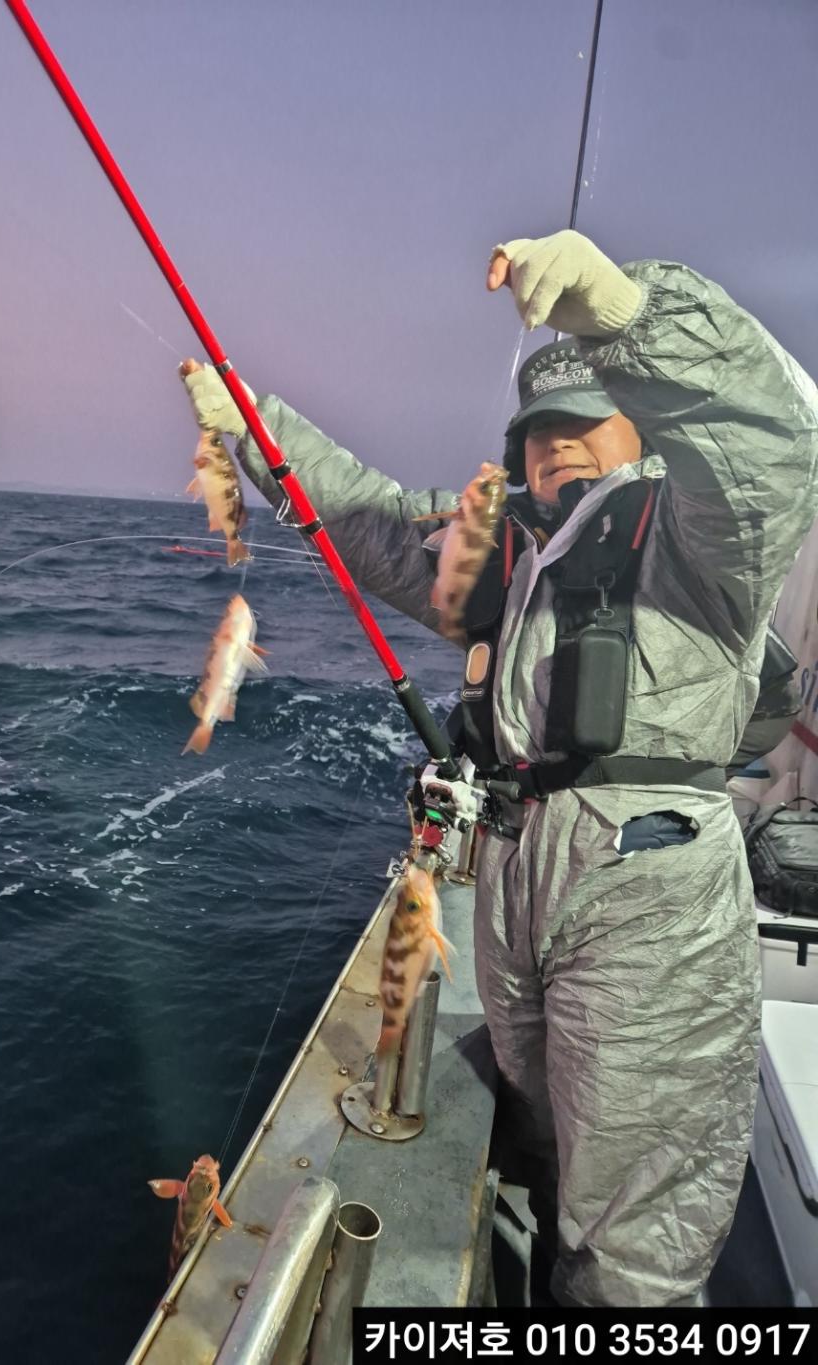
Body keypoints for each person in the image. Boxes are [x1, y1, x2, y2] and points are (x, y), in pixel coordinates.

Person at [181, 229, 818, 1307]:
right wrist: (255, 426)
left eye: (582, 425)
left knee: (635, 1248)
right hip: (519, 875)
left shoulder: (709, 538)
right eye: (535, 436)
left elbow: (763, 442)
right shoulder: (516, 557)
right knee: (537, 1148)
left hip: (649, 895)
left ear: (644, 429)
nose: (554, 449)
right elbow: (375, 523)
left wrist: (629, 315)